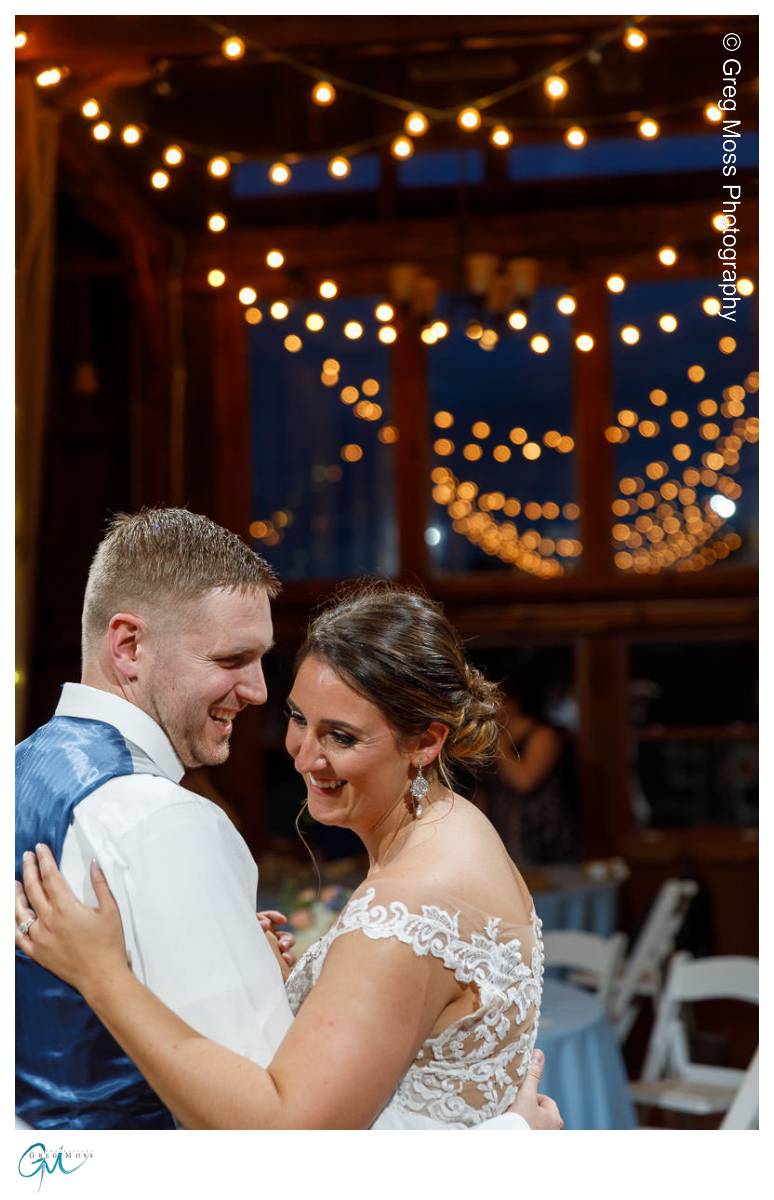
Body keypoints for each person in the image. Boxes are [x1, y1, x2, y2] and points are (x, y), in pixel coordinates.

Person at [15, 509, 560, 1131]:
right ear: (129, 644)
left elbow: (285, 1135)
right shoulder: (165, 821)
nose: (261, 698)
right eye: (231, 659)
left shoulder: (23, 772)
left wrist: (104, 977)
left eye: (342, 735)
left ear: (425, 742)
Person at [477, 675, 578, 866]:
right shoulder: (488, 743)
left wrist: (499, 742)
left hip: (542, 835)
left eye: (491, 702)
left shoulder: (542, 735)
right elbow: (484, 792)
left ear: (512, 704)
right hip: (504, 833)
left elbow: (524, 781)